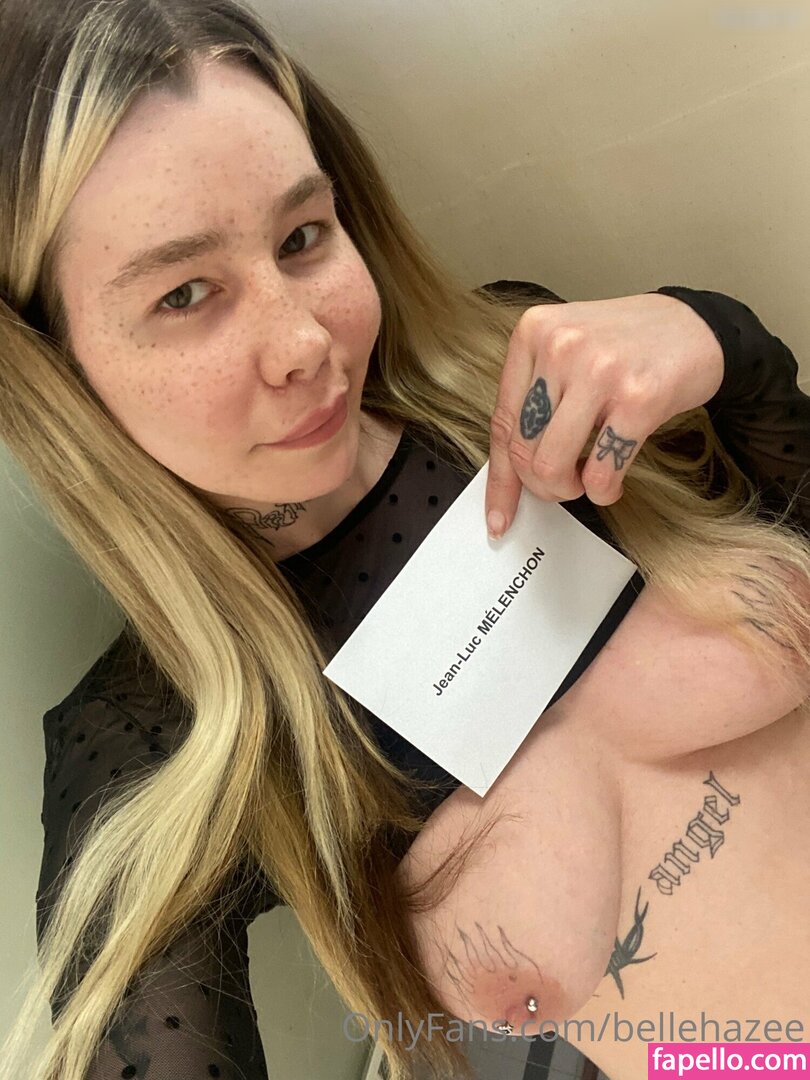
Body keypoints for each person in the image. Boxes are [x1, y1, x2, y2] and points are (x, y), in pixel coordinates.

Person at [0, 2, 807, 1079]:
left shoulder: (515, 379)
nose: (303, 343)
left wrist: (721, 341)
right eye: (185, 294)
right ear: (59, 371)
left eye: (302, 237)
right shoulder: (154, 737)